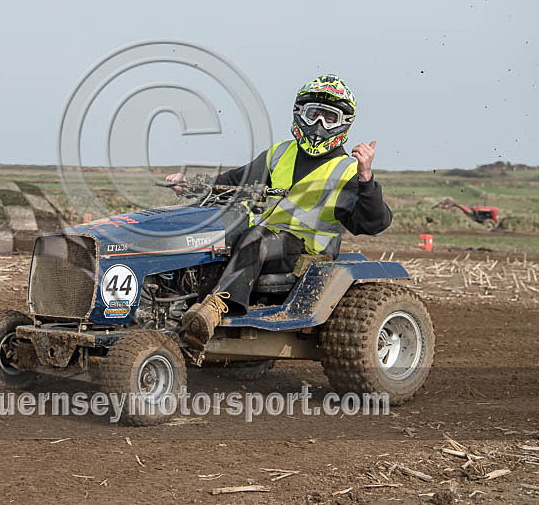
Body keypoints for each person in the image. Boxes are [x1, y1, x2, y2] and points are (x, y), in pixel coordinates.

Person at [164, 74, 392, 353]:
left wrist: (366, 178)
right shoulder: (279, 153)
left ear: (343, 124)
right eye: (314, 114)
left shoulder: (347, 170)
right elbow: (233, 183)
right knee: (218, 232)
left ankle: (215, 309)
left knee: (256, 237)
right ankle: (174, 309)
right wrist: (191, 186)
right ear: (300, 114)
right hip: (264, 240)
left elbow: (373, 223)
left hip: (307, 250)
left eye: (328, 118)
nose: (319, 124)